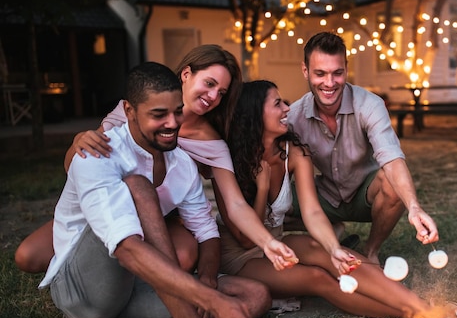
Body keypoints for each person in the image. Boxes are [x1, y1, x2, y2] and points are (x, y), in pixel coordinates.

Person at [38, 61, 274, 318]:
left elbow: (207, 232)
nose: (172, 123)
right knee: (139, 186)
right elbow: (127, 249)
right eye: (159, 114)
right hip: (84, 290)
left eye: (177, 112)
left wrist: (207, 280)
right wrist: (210, 301)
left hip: (137, 284)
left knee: (254, 297)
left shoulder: (181, 161)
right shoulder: (98, 153)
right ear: (130, 111)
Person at [15, 44, 297, 275]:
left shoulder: (212, 143)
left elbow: (235, 205)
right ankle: (107, 265)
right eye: (209, 83)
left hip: (160, 219)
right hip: (109, 207)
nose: (213, 96)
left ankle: (138, 279)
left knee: (185, 256)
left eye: (221, 93)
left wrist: (268, 242)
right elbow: (74, 167)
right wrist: (79, 142)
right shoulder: (137, 109)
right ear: (186, 74)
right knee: (27, 257)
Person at [217, 79, 442, 318]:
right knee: (318, 277)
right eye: (277, 104)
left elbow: (312, 212)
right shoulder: (228, 159)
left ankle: (424, 307)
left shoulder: (294, 152)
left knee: (333, 254)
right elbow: (243, 238)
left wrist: (333, 247)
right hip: (240, 256)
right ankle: (416, 315)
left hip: (277, 238)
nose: (286, 109)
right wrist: (261, 188)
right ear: (255, 115)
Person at [286, 31, 439, 265]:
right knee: (269, 200)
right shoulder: (294, 116)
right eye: (320, 73)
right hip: (323, 196)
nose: (329, 83)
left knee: (391, 183)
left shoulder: (370, 104)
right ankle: (329, 227)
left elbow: (391, 159)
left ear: (346, 68)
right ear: (305, 71)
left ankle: (370, 253)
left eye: (337, 73)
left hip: (364, 195)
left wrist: (414, 208)